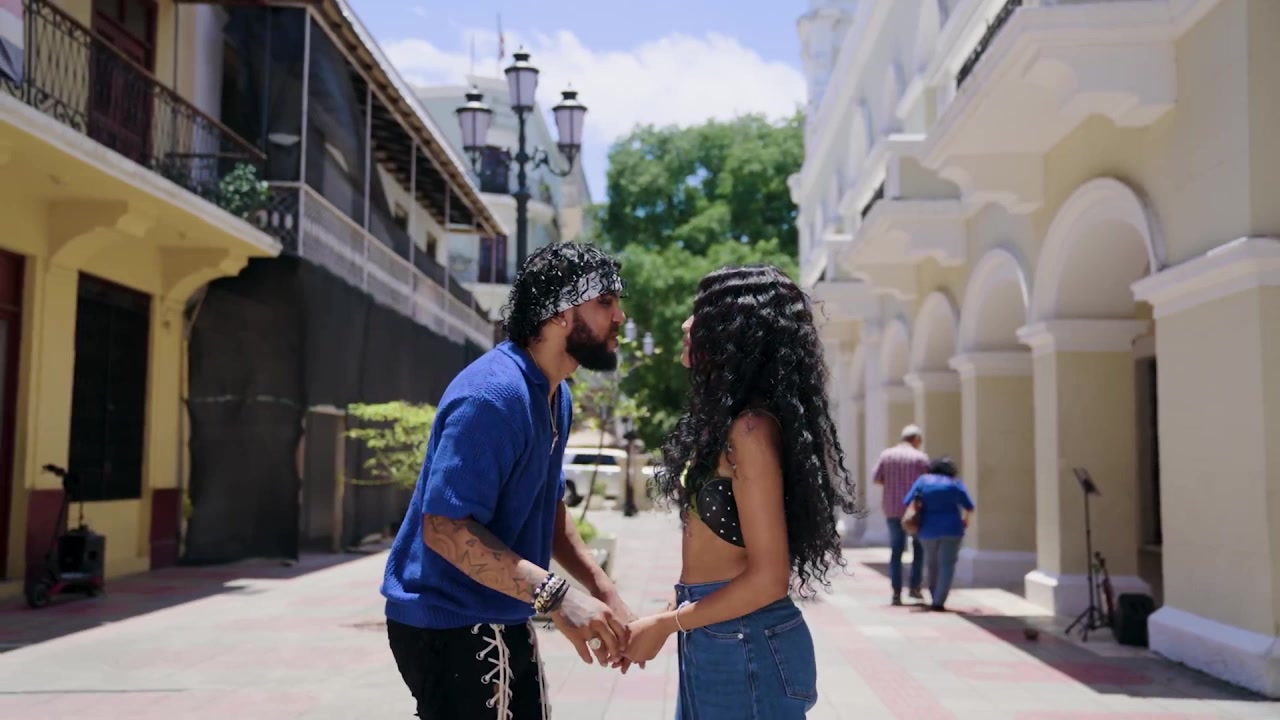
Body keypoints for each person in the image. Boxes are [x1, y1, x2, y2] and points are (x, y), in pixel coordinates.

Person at [380, 242, 641, 718]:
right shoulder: (494, 395)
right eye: (605, 302)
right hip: (449, 621)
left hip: (504, 609)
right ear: (560, 313)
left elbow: (548, 511)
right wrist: (557, 596)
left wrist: (601, 590)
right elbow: (443, 527)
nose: (619, 316)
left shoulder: (555, 394)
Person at [617, 264, 859, 719]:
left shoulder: (750, 431)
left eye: (701, 312)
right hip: (720, 635)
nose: (687, 324)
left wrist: (667, 624)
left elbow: (768, 579)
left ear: (736, 330)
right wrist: (662, 619)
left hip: (746, 643)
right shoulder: (729, 425)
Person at [904, 456, 975, 611]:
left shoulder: (923, 481)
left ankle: (933, 593)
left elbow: (907, 500)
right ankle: (939, 600)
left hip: (927, 528)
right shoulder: (955, 483)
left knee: (931, 563)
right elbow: (969, 506)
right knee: (947, 564)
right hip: (952, 528)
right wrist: (965, 520)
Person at [872, 425, 930, 605]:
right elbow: (927, 482)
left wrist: (892, 483)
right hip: (914, 511)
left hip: (892, 509)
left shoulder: (887, 455)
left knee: (896, 551)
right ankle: (914, 587)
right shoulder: (920, 458)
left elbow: (876, 478)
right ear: (916, 439)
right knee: (918, 549)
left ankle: (896, 592)